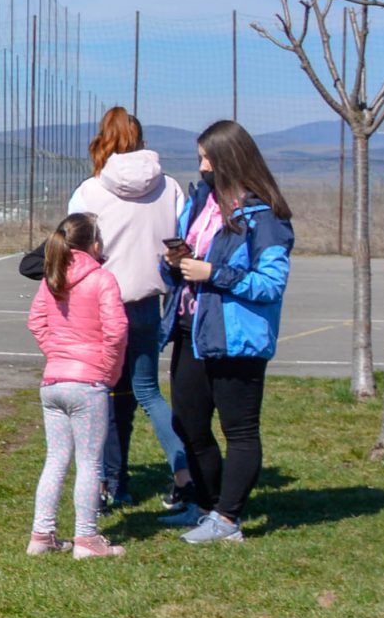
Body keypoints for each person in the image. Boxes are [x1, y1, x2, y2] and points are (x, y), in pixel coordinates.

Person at [168, 120, 294, 544]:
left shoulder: (266, 218)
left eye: (207, 158)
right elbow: (192, 255)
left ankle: (228, 519)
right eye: (200, 157)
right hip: (191, 328)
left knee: (239, 430)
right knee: (189, 423)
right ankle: (205, 507)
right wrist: (176, 263)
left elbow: (270, 284)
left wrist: (213, 273)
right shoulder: (201, 203)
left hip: (236, 338)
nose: (201, 166)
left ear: (229, 161)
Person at [67, 107, 193, 513]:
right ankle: (184, 472)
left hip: (101, 306)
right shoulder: (169, 187)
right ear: (140, 139)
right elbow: (184, 237)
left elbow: (73, 244)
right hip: (146, 305)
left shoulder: (90, 190)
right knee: (149, 393)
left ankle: (103, 484)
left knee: (99, 394)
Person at [25, 213, 129, 558]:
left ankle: (42, 534)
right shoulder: (103, 279)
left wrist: (55, 353)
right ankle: (87, 538)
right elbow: (116, 331)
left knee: (56, 459)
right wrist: (107, 370)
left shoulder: (52, 277)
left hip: (53, 381)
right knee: (89, 462)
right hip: (87, 382)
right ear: (94, 245)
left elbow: (36, 321)